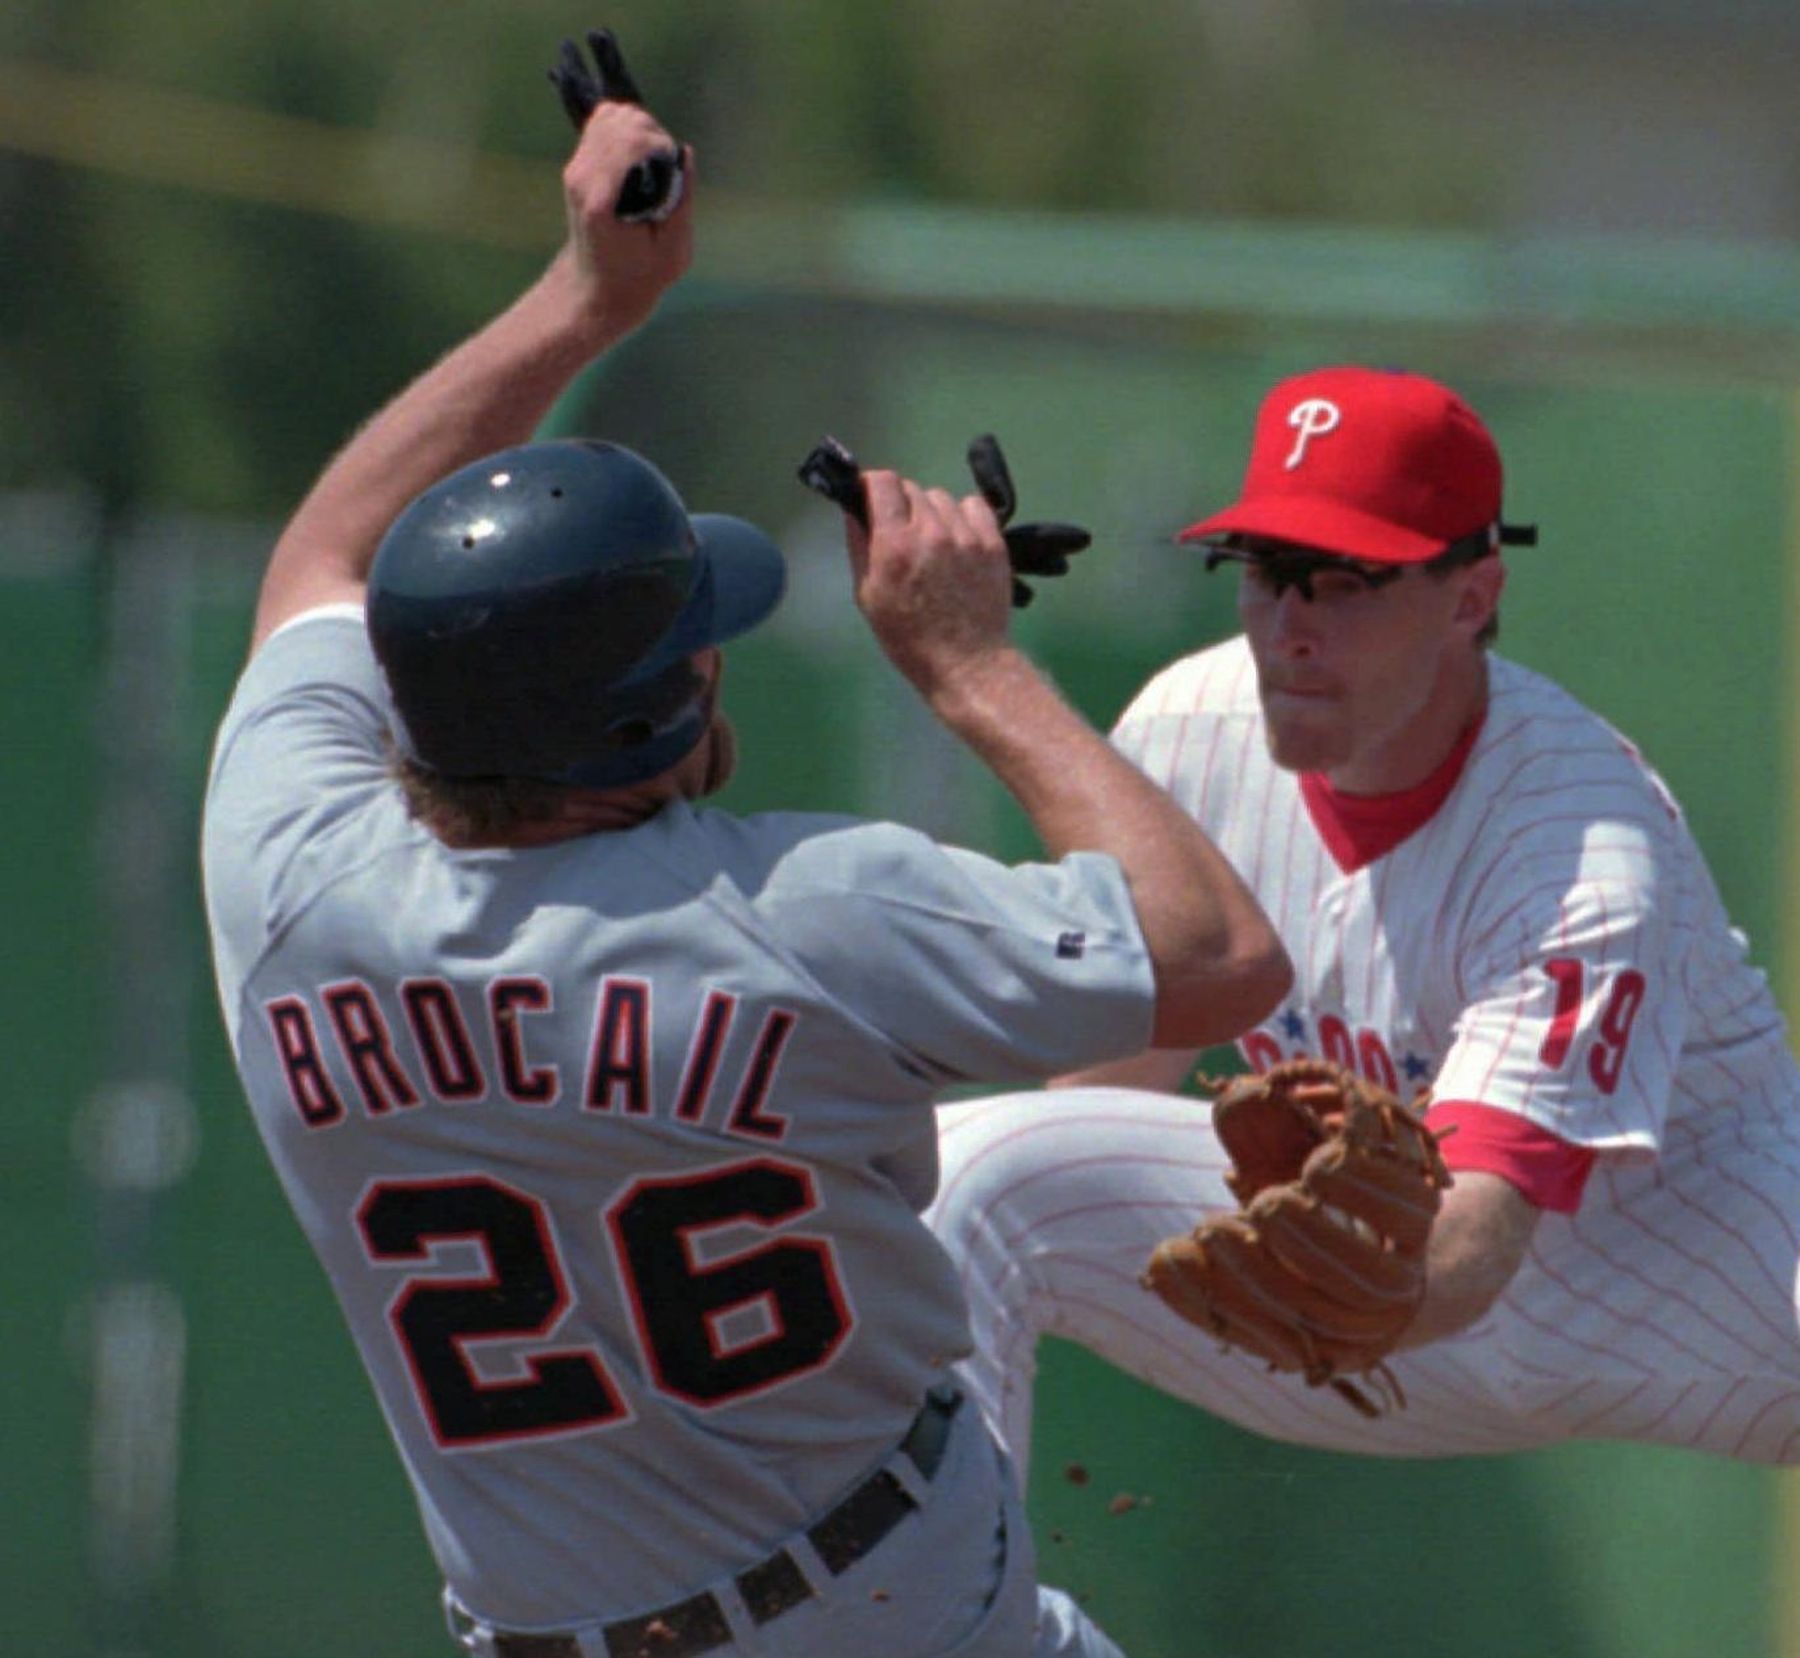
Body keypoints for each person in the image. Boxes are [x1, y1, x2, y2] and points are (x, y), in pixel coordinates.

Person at [199, 90, 1289, 1658]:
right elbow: (1220, 954)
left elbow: (324, 560)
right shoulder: (807, 914)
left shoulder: (290, 878)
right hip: (886, 1613)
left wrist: (581, 298)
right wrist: (971, 665)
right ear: (662, 709)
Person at [927, 365, 1800, 1655]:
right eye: (1270, 571)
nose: (1292, 624)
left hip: (1681, 1257)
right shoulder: (1187, 727)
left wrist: (1354, 1279)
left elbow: (1479, 1244)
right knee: (972, 1174)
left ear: (1472, 595)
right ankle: (945, 1633)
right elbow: (1104, 1097)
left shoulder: (1576, 836)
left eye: (1346, 578)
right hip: (1358, 1301)